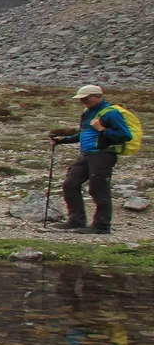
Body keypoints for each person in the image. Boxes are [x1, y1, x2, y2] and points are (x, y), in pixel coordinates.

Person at [50, 85, 133, 234]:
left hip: (103, 155)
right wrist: (63, 140)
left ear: (98, 96)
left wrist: (102, 129)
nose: (83, 101)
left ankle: (102, 226)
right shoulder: (88, 113)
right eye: (81, 99)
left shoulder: (111, 114)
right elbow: (85, 134)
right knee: (70, 184)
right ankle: (76, 221)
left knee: (98, 189)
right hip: (87, 155)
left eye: (86, 98)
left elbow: (125, 135)